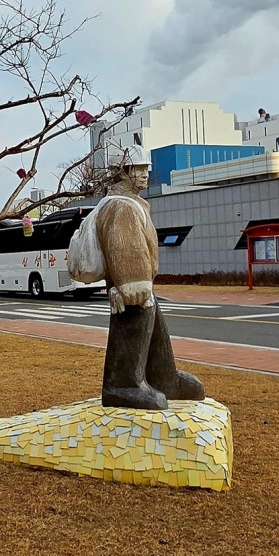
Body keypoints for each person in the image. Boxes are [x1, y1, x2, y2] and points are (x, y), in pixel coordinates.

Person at [95, 156, 204, 411]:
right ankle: (122, 385)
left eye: (146, 169)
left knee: (154, 328)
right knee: (133, 324)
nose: (145, 174)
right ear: (123, 173)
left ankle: (163, 377)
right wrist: (130, 283)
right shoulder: (119, 205)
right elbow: (124, 246)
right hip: (131, 283)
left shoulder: (134, 203)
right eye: (138, 169)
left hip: (142, 281)